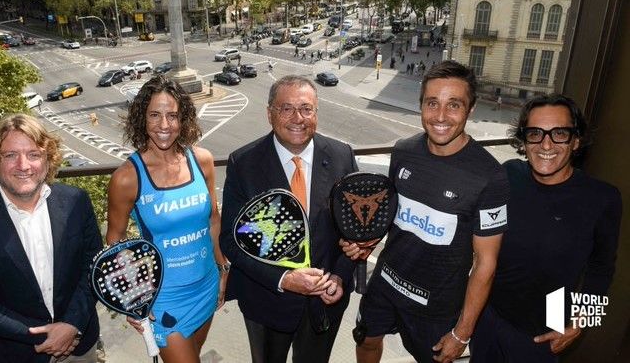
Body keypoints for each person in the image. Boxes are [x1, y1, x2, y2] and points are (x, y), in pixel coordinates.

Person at [345, 61, 509, 363]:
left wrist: (462, 332)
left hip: (436, 306)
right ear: (420, 105)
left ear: (470, 109)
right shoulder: (403, 150)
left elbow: (486, 262)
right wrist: (365, 240)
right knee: (366, 341)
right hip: (385, 284)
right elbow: (392, 217)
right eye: (432, 103)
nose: (441, 116)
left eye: (454, 105)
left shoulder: (490, 177)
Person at [470, 95, 622, 362]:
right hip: (490, 315)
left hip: (545, 328)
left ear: (576, 141)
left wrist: (580, 322)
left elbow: (602, 267)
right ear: (524, 140)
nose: (546, 144)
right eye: (535, 133)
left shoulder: (602, 198)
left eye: (559, 133)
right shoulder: (510, 174)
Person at [220, 75, 359, 363]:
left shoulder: (342, 156)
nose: (298, 118)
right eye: (286, 109)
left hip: (326, 300)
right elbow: (231, 242)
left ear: (316, 113)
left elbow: (356, 230)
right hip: (267, 301)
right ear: (269, 113)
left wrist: (340, 276)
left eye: (306, 109)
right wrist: (285, 278)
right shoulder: (242, 163)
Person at [0, 113, 102, 362]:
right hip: (21, 353)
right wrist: (42, 335)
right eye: (10, 155)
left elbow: (93, 269)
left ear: (47, 159)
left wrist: (72, 324)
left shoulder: (76, 202)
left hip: (79, 344)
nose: (23, 165)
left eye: (33, 154)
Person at [105, 75, 229, 362]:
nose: (164, 125)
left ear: (183, 118)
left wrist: (223, 268)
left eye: (172, 115)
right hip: (164, 299)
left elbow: (213, 219)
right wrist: (132, 299)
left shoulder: (202, 160)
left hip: (207, 285)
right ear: (141, 118)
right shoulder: (126, 178)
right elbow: (115, 242)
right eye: (155, 115)